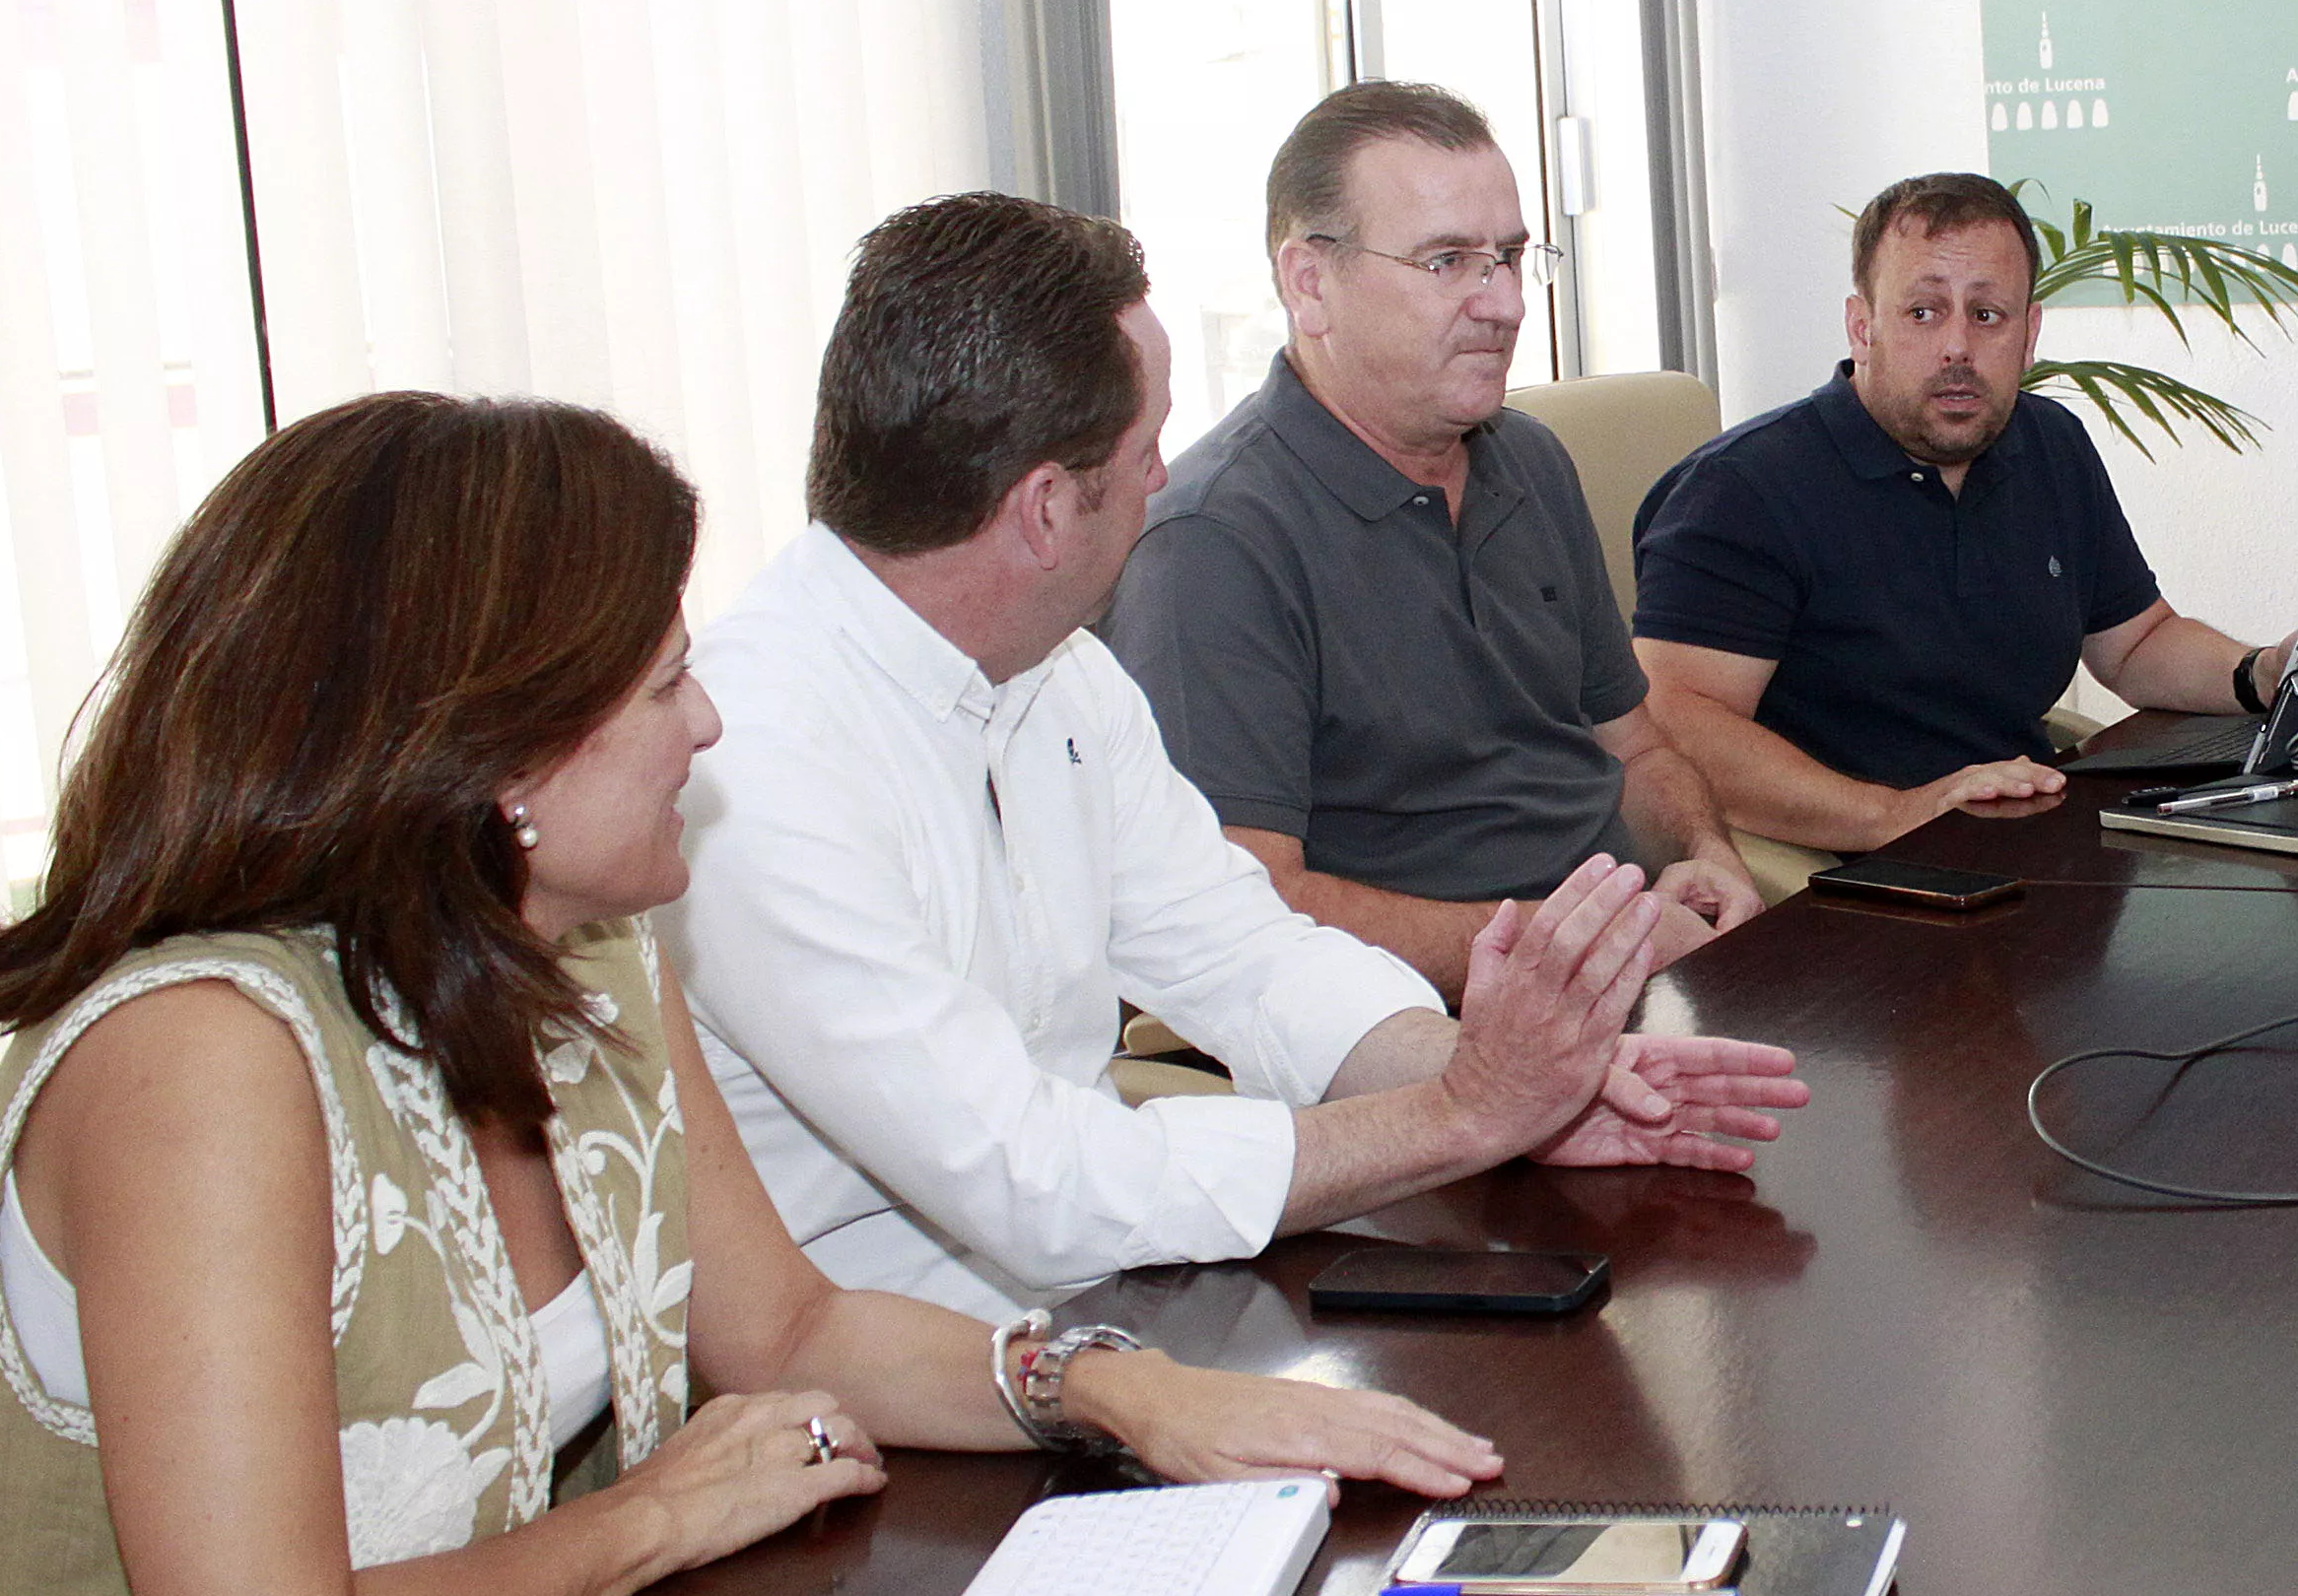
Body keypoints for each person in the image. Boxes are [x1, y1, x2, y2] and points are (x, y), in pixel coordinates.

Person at [0, 395, 1512, 1596]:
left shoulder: (585, 950)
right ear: (496, 756)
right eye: (662, 683)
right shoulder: (202, 1061)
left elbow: (782, 1329)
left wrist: (1116, 1388)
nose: (708, 727)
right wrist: (657, 1513)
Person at [676, 193, 1804, 1326]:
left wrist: (1518, 1083)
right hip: (901, 1398)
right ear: (1046, 509)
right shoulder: (751, 761)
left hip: (1111, 1307)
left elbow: (1245, 955)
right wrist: (1459, 1114)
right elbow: (1033, 1180)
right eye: (1146, 444)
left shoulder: (1057, 671)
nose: (1166, 478)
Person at [1106, 81, 1757, 993]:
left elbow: (1635, 751)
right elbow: (1244, 912)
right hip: (1417, 1038)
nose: (1505, 305)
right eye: (1448, 262)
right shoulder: (1213, 541)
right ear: (1309, 283)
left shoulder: (1530, 462)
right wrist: (1570, 947)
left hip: (1623, 967)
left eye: (1511, 258)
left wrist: (1704, 855)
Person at [1630, 170, 2294, 853]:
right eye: (1923, 312)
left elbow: (2134, 645)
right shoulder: (1743, 490)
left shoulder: (2050, 445)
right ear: (1863, 327)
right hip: (1846, 873)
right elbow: (1674, 721)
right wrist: (1891, 814)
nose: (1958, 348)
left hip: (2022, 838)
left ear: (2028, 333)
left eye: (1987, 315)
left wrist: (2262, 673)